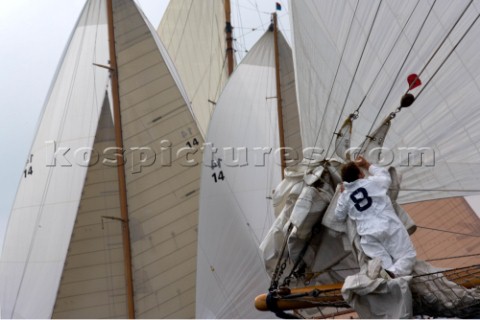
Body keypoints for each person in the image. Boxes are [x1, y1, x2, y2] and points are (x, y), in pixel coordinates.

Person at [334, 156, 416, 278]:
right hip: (389, 227)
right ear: (360, 174)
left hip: (368, 236)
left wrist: (342, 194)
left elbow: (338, 216)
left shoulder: (345, 196)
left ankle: (390, 276)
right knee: (407, 256)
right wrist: (367, 164)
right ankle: (395, 274)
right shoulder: (373, 182)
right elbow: (385, 176)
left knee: (384, 267)